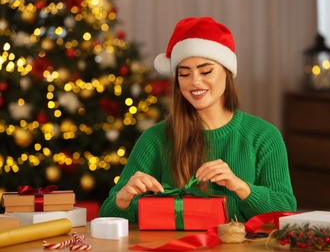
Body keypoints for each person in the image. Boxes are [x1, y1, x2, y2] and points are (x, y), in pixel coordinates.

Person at [99, 16, 297, 223]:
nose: (194, 82)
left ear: (227, 72)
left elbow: (285, 212)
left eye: (206, 71)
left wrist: (240, 186)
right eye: (184, 74)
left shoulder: (264, 135)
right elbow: (108, 214)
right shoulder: (155, 138)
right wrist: (124, 198)